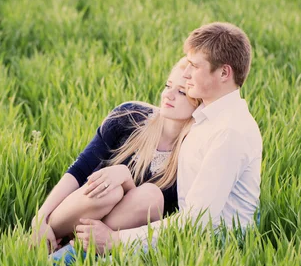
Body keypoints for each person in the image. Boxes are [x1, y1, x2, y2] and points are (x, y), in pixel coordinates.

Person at [74, 22, 263, 253]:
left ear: (224, 73)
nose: (186, 73)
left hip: (211, 249)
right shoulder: (207, 117)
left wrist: (116, 240)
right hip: (182, 234)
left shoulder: (228, 133)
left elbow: (197, 222)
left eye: (194, 66)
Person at [30, 58, 202, 252]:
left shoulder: (193, 153)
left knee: (149, 195)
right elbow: (79, 170)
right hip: (78, 211)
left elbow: (163, 216)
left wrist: (126, 179)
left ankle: (69, 254)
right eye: (168, 85)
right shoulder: (129, 115)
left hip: (117, 238)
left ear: (200, 102)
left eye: (181, 92)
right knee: (110, 190)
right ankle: (42, 240)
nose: (168, 95)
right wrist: (40, 218)